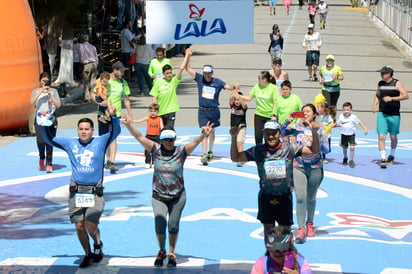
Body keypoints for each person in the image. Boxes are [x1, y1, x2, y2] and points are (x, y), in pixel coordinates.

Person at [122, 121, 214, 268]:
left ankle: (171, 252)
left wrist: (204, 134)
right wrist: (128, 125)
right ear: (161, 139)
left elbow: (195, 142)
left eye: (171, 139)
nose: (168, 142)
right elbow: (139, 136)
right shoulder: (154, 150)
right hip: (159, 196)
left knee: (173, 226)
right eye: (165, 139)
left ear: (175, 139)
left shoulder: (181, 152)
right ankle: (161, 250)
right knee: (159, 224)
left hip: (178, 196)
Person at [40, 105, 121, 268]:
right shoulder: (70, 143)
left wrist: (113, 117)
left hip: (94, 192)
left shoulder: (101, 141)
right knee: (79, 225)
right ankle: (88, 253)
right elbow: (49, 139)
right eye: (81, 129)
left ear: (92, 130)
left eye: (87, 129)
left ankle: (98, 244)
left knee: (91, 225)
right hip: (76, 191)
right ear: (77, 131)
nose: (83, 132)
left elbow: (116, 132)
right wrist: (43, 123)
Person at [230, 119, 321, 238]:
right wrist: (234, 138)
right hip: (266, 197)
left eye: (274, 133)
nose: (271, 136)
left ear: (279, 133)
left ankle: (285, 255)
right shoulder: (258, 150)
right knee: (269, 233)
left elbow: (314, 150)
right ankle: (270, 255)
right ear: (263, 135)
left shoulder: (289, 148)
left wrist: (314, 132)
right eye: (267, 133)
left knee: (285, 234)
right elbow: (235, 157)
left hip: (284, 197)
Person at [282, 104, 329, 244]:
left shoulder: (320, 129)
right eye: (303, 111)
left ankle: (310, 223)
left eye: (308, 111)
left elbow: (326, 149)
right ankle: (301, 227)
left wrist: (313, 142)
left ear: (314, 114)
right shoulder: (297, 128)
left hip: (315, 167)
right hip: (299, 166)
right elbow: (281, 132)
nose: (305, 113)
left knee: (311, 197)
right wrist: (288, 120)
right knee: (300, 198)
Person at [185, 48, 239, 165]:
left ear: (212, 73)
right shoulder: (199, 79)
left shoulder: (217, 82)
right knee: (204, 131)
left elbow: (227, 86)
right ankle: (204, 153)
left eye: (209, 73)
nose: (207, 75)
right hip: (203, 111)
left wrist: (234, 86)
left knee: (212, 132)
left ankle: (210, 151)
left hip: (214, 111)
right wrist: (187, 55)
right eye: (205, 73)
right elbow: (188, 69)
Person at [371, 66, 409, 169]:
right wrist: (374, 104)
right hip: (382, 113)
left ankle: (392, 155)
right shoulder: (380, 83)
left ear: (389, 74)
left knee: (393, 137)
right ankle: (383, 159)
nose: (381, 75)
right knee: (381, 136)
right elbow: (378, 95)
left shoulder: (397, 83)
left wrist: (392, 98)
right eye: (381, 73)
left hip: (394, 114)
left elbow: (406, 95)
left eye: (383, 73)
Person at [30, 72, 61, 173]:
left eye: (47, 81)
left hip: (50, 118)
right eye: (43, 80)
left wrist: (50, 95)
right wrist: (41, 91)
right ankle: (41, 157)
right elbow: (31, 102)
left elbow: (58, 105)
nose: (45, 82)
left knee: (50, 140)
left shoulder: (54, 91)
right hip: (39, 118)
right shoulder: (35, 91)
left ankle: (49, 163)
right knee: (40, 140)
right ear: (40, 81)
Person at [150, 50, 191, 128]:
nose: (169, 75)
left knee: (169, 131)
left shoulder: (174, 81)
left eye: (170, 73)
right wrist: (154, 109)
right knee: (161, 132)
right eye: (167, 73)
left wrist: (187, 55)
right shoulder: (158, 82)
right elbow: (154, 96)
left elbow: (181, 68)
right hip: (160, 111)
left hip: (171, 110)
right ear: (163, 74)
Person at [105, 61, 133, 171]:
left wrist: (130, 115)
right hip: (104, 114)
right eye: (121, 71)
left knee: (113, 137)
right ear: (115, 70)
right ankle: (107, 160)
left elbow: (126, 100)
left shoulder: (123, 83)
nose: (122, 73)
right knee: (105, 138)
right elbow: (96, 93)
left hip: (116, 115)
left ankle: (112, 161)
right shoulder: (105, 81)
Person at [239, 71, 279, 145]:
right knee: (258, 136)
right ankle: (259, 152)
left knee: (269, 136)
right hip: (259, 115)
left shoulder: (273, 88)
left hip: (269, 116)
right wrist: (239, 96)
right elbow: (249, 97)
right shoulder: (257, 86)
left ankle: (269, 152)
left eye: (259, 78)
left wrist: (274, 115)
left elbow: (275, 103)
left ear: (265, 79)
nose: (258, 79)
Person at [336, 102, 368, 167]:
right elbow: (337, 123)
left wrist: (365, 128)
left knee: (352, 147)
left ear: (351, 110)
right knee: (344, 148)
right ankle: (345, 157)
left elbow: (360, 122)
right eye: (344, 110)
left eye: (348, 110)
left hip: (351, 135)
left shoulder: (353, 117)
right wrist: (329, 127)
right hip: (343, 135)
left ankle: (351, 160)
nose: (346, 111)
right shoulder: (341, 116)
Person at [132, 103, 164, 168]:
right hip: (149, 136)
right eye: (151, 111)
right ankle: (147, 162)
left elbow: (162, 127)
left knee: (156, 150)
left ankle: (155, 162)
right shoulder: (148, 118)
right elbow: (139, 121)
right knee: (147, 150)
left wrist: (163, 133)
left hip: (156, 136)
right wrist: (132, 121)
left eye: (154, 111)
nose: (153, 113)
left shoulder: (159, 119)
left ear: (158, 111)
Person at [314, 93, 336, 164]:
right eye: (316, 107)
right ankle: (322, 157)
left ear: (324, 107)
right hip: (318, 133)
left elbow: (333, 123)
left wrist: (328, 127)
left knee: (327, 148)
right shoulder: (316, 115)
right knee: (319, 145)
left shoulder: (327, 115)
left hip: (327, 134)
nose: (318, 109)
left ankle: (324, 155)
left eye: (319, 107)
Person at [78, 34, 99, 102]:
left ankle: (87, 97)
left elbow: (71, 47)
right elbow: (96, 57)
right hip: (94, 64)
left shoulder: (80, 46)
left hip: (87, 65)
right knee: (93, 81)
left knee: (85, 81)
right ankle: (92, 95)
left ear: (82, 39)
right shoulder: (93, 47)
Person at [230, 91, 248, 167]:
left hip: (241, 127)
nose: (237, 102)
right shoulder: (232, 106)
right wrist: (235, 90)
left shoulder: (243, 107)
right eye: (236, 100)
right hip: (234, 129)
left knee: (239, 142)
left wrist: (240, 97)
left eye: (239, 100)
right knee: (234, 144)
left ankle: (241, 158)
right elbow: (231, 97)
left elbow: (244, 105)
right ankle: (236, 156)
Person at [91, 71, 111, 137]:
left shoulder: (105, 85)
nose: (105, 83)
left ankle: (104, 116)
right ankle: (103, 117)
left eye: (106, 82)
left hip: (102, 99)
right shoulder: (100, 85)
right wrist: (105, 99)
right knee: (103, 107)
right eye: (104, 81)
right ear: (101, 80)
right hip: (99, 98)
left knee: (104, 108)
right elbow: (99, 93)